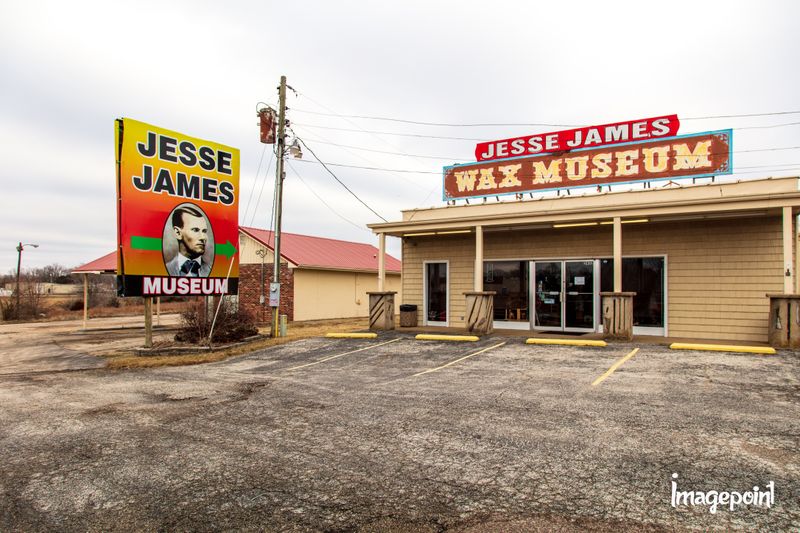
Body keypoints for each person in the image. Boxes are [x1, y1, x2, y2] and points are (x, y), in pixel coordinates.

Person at [165, 206, 212, 277]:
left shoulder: (211, 270)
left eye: (204, 231)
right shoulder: (167, 269)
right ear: (178, 233)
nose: (203, 237)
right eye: (195, 230)